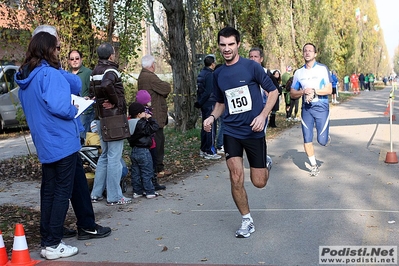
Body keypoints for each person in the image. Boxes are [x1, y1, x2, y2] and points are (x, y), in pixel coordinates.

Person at [15, 32, 110, 261]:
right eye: (57, 48)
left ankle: (48, 236)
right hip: (61, 141)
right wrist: (74, 109)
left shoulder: (27, 79)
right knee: (61, 192)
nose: (59, 52)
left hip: (45, 142)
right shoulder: (49, 74)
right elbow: (60, 106)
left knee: (49, 191)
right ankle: (53, 243)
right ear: (48, 49)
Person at [203, 27, 277, 238]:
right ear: (219, 46)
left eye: (230, 44)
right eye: (223, 45)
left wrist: (263, 116)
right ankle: (247, 220)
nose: (226, 49)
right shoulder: (217, 74)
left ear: (237, 45)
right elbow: (220, 103)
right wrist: (211, 117)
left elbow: (273, 92)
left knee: (259, 182)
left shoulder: (252, 67)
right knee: (236, 177)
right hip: (231, 131)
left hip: (253, 131)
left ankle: (265, 163)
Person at [89, 43, 131, 206]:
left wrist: (100, 104)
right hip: (113, 119)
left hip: (101, 118)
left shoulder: (94, 72)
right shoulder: (111, 71)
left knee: (104, 156)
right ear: (111, 55)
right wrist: (114, 102)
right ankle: (114, 196)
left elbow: (93, 94)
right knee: (114, 156)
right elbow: (107, 85)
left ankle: (96, 193)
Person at [290, 43, 332, 176]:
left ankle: (325, 137)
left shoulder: (322, 69)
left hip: (321, 107)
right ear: (303, 54)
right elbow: (292, 93)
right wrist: (303, 92)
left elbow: (329, 89)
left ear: (315, 54)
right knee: (307, 138)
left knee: (322, 141)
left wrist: (314, 91)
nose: (307, 53)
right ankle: (314, 166)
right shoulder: (298, 73)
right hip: (306, 109)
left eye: (310, 51)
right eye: (305, 51)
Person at [137, 55, 172, 178]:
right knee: (158, 141)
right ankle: (158, 169)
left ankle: (152, 168)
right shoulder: (150, 77)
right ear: (152, 65)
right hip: (155, 115)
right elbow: (166, 88)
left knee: (152, 142)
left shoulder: (142, 76)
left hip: (148, 114)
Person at [127, 102, 160, 199]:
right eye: (143, 112)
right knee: (147, 171)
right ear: (138, 114)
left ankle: (137, 191)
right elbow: (154, 127)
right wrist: (150, 118)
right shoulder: (141, 123)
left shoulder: (129, 123)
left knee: (135, 172)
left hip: (134, 150)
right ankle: (149, 191)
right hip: (144, 150)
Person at [135, 89, 166, 191]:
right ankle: (152, 183)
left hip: (141, 143)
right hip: (149, 142)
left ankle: (142, 184)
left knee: (142, 166)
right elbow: (153, 127)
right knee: (151, 163)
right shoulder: (146, 114)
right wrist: (152, 120)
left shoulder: (135, 113)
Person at [195, 54, 221, 160]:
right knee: (211, 127)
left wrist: (199, 102)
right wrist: (201, 101)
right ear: (212, 63)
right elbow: (208, 91)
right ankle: (210, 150)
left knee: (204, 127)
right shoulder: (210, 74)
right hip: (209, 104)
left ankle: (203, 149)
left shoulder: (201, 73)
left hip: (203, 104)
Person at [68, 50, 93, 143]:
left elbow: (92, 93)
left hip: (84, 113)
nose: (75, 61)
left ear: (81, 59)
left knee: (83, 138)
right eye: (72, 59)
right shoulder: (66, 74)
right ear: (69, 61)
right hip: (70, 111)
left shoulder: (88, 73)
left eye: (77, 58)